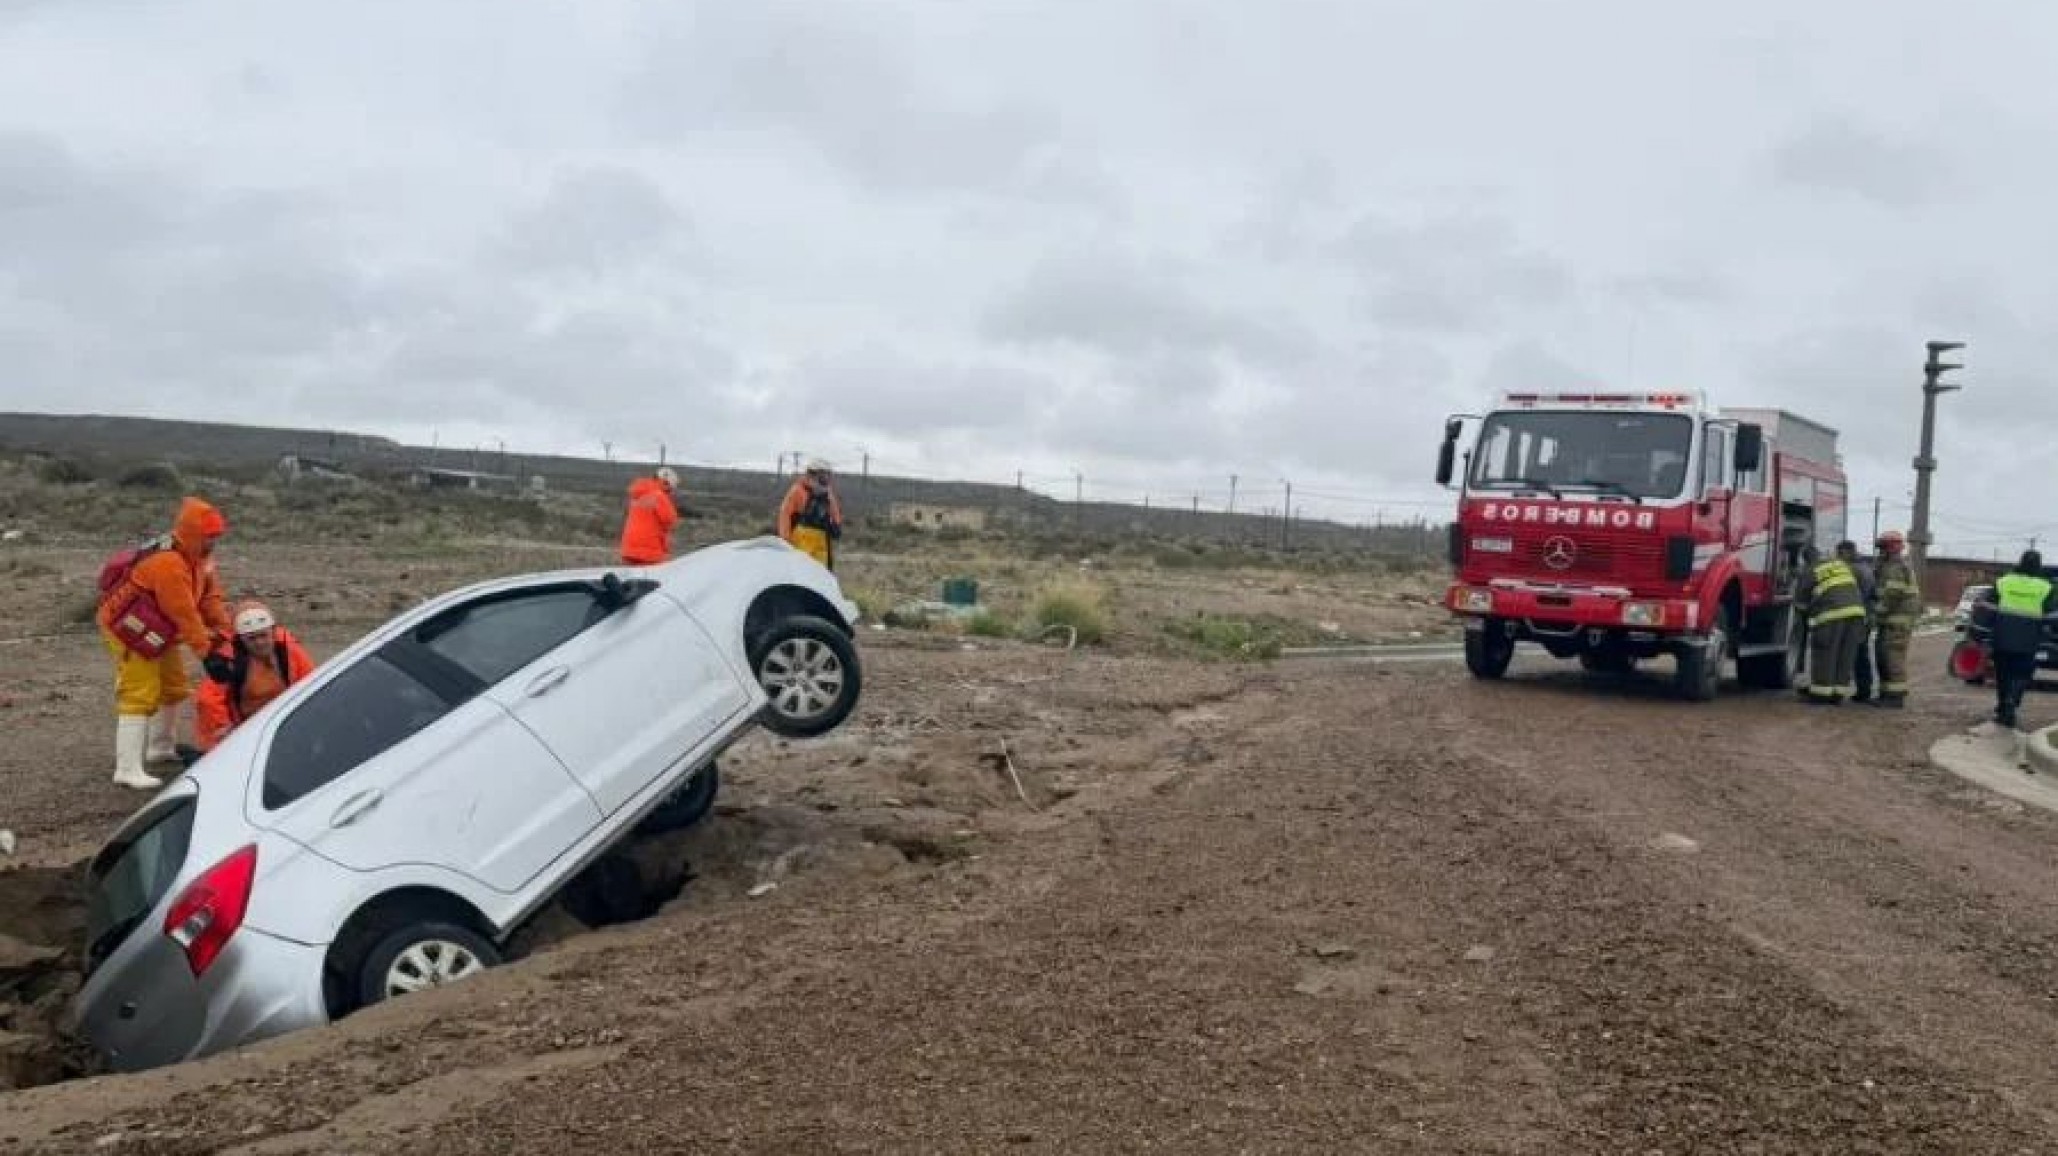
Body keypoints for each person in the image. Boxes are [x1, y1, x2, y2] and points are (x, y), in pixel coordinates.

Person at [96, 496, 230, 789]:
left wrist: (226, 635)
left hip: (158, 628)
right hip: (128, 629)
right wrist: (208, 652)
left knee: (173, 686)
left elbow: (209, 599)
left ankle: (159, 748)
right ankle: (127, 768)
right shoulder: (168, 563)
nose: (213, 542)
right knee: (139, 691)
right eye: (209, 536)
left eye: (216, 536)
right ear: (193, 533)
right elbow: (183, 612)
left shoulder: (199, 559)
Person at [191, 600, 315, 758]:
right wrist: (225, 730)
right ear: (242, 639)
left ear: (273, 631)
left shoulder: (288, 651)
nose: (260, 643)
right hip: (242, 727)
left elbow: (309, 684)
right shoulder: (228, 661)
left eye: (263, 635)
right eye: (252, 638)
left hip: (280, 721)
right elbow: (208, 700)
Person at [1983, 550, 2056, 730]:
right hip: (2029, 637)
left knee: (2003, 672)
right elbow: (2049, 612)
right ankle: (2012, 700)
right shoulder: (2045, 587)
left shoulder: (2004, 581)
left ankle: (2003, 709)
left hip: (2003, 634)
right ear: (2038, 565)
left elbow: (1990, 605)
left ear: (2020, 562)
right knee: (2022, 673)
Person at [1795, 542, 1867, 705]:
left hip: (1831, 616)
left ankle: (1820, 694)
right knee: (1845, 655)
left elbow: (1800, 603)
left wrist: (1804, 619)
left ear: (1806, 560)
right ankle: (1837, 694)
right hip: (1856, 614)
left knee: (1825, 653)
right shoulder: (1839, 564)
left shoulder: (1810, 570)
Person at [1869, 530, 1922, 708]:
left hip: (1897, 622)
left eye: (1882, 547)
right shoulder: (1887, 565)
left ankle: (1895, 697)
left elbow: (1892, 594)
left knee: (1893, 658)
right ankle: (1886, 693)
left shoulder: (1897, 567)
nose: (1880, 551)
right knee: (1883, 656)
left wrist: (1878, 612)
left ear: (1891, 547)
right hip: (1890, 621)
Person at [778, 458, 843, 569]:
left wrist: (837, 525)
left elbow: (834, 510)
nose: (826, 478)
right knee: (801, 570)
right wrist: (785, 539)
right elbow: (785, 514)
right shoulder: (797, 490)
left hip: (821, 538)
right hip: (801, 538)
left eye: (827, 474)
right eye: (823, 474)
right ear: (813, 473)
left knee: (821, 572)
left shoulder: (827, 492)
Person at [618, 466, 682, 565]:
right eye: (670, 489)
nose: (670, 492)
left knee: (632, 578)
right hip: (650, 551)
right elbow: (671, 520)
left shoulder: (637, 495)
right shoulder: (659, 496)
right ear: (666, 483)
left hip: (628, 549)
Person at [1840, 540, 1878, 703]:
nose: (1838, 557)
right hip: (1865, 616)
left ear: (1847, 552)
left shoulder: (1852, 570)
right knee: (1860, 654)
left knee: (1851, 654)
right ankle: (1864, 690)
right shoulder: (1866, 568)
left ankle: (1855, 690)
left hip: (1855, 617)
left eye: (1840, 553)